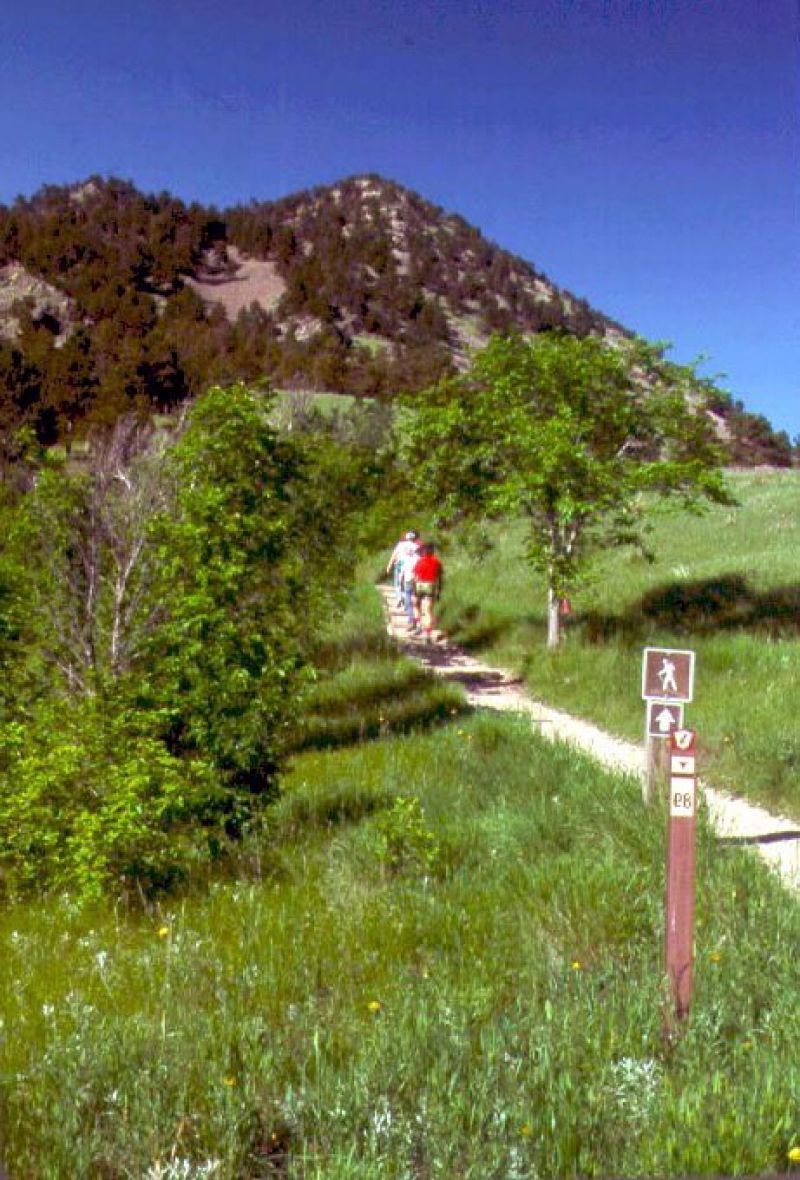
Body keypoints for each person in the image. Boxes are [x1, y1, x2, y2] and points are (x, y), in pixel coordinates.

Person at [412, 542, 443, 640]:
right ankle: (427, 634)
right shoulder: (437, 562)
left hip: (420, 585)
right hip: (431, 585)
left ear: (423, 552)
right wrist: (438, 591)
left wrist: (414, 589)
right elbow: (440, 578)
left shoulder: (420, 562)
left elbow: (414, 577)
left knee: (416, 605)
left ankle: (418, 624)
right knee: (428, 610)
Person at [386, 530, 419, 608]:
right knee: (406, 582)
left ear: (406, 538)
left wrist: (389, 565)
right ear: (413, 538)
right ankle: (405, 599)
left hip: (400, 564)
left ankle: (399, 597)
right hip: (411, 565)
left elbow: (394, 555)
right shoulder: (416, 546)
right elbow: (418, 558)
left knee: (398, 582)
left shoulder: (400, 545)